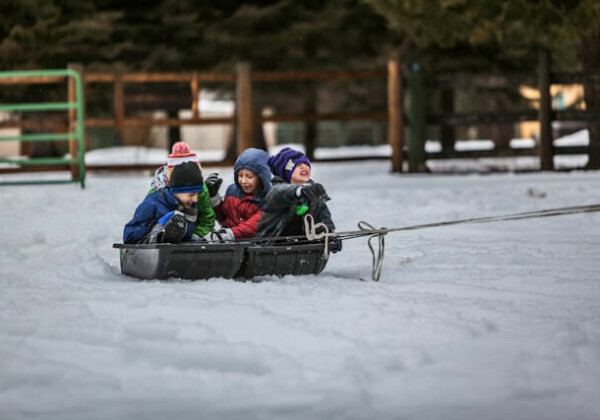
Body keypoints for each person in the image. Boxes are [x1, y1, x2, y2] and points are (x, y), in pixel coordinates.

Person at [255, 147, 339, 251]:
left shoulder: (312, 191)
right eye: (298, 165)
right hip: (271, 247)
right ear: (286, 171)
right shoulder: (275, 190)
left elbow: (323, 217)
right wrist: (297, 191)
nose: (304, 167)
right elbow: (279, 193)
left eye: (306, 164)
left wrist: (329, 235)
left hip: (303, 246)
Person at [123, 160, 206, 244]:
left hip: (177, 251)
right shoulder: (152, 205)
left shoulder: (190, 205)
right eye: (191, 195)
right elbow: (128, 237)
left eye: (197, 194)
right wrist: (154, 226)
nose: (195, 199)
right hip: (151, 250)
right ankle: (158, 235)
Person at [149, 142, 215, 240]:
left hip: (193, 233)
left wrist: (196, 235)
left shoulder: (201, 190)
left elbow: (207, 220)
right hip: (162, 236)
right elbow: (146, 221)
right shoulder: (158, 190)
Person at [204, 148, 272, 240]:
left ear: (261, 177)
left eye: (249, 176)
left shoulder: (268, 198)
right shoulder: (232, 192)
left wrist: (228, 234)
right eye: (240, 176)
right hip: (229, 246)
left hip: (253, 246)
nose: (243, 181)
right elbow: (224, 218)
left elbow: (253, 226)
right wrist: (214, 198)